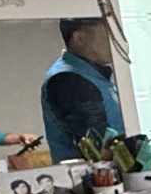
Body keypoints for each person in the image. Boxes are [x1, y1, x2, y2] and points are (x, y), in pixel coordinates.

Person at [40, 18, 125, 161]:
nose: (114, 42)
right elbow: (98, 146)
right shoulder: (69, 80)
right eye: (106, 36)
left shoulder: (91, 74)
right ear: (79, 38)